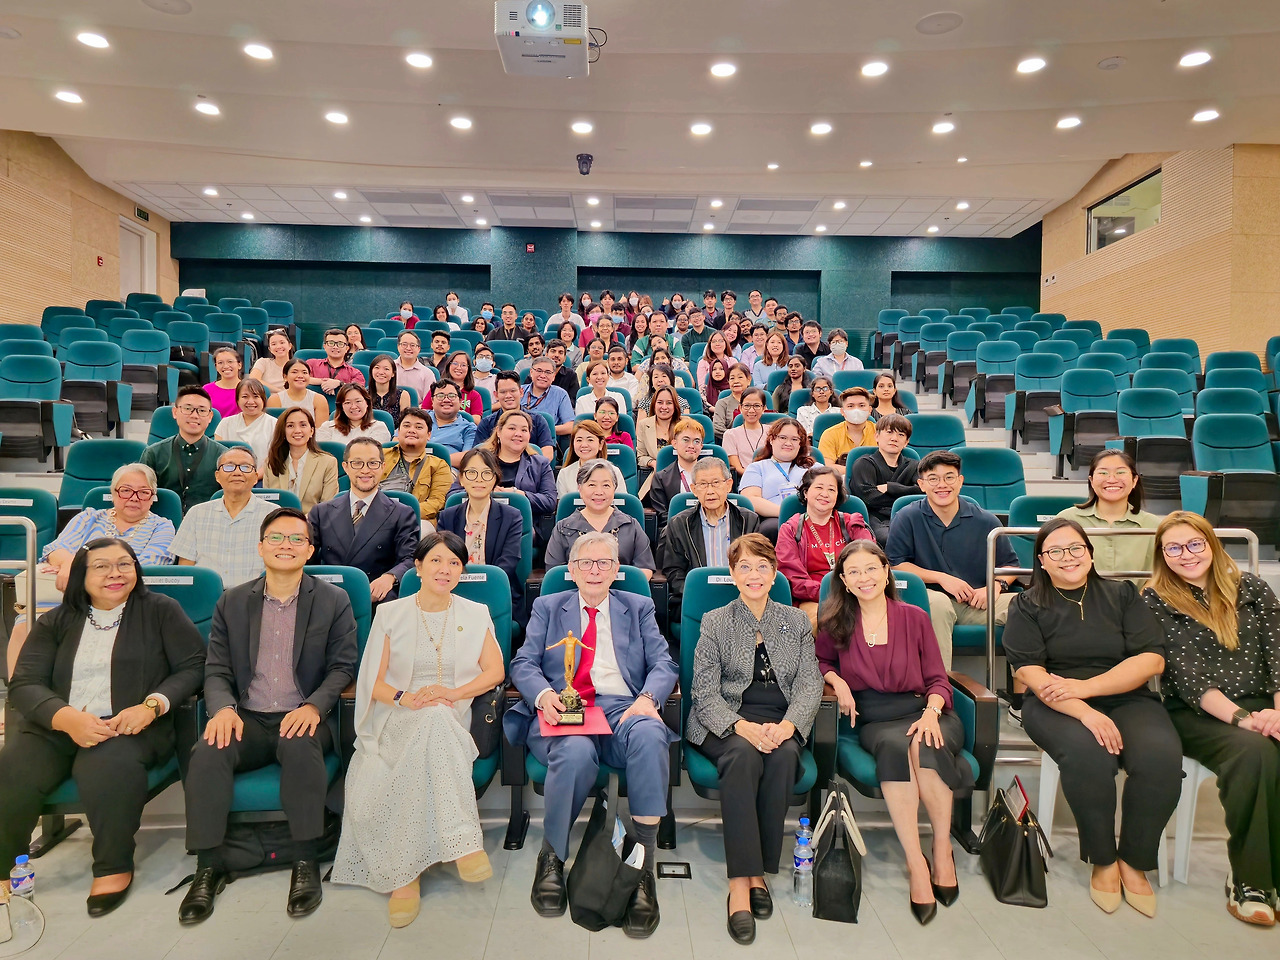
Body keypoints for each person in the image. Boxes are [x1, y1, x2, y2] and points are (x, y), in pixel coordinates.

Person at [0, 538, 204, 917]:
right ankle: (1, 867)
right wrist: (68, 719)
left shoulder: (161, 610)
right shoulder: (57, 619)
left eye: (125, 565)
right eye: (102, 566)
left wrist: (151, 705)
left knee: (107, 769)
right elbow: (25, 684)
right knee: (13, 768)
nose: (115, 574)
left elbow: (193, 667)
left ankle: (113, 865)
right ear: (81, 574)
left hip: (129, 724)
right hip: (59, 722)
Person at [178, 507, 359, 925]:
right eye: (276, 538)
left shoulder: (333, 599)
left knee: (299, 747)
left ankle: (305, 859)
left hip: (304, 715)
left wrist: (314, 706)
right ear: (260, 547)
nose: (286, 546)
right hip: (248, 718)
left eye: (297, 539)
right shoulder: (233, 600)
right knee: (207, 752)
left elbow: (343, 667)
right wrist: (222, 708)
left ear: (310, 549)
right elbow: (217, 668)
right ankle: (208, 865)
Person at [1002, 517, 1181, 918]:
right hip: (1054, 702)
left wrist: (1088, 690)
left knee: (1159, 759)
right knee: (1090, 756)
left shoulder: (1123, 595)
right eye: (1055, 551)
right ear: (1042, 562)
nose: (1067, 557)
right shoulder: (1027, 604)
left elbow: (1151, 659)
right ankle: (1102, 860)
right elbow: (1028, 671)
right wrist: (1084, 711)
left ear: (1091, 553)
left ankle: (1134, 861)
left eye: (1075, 548)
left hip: (1124, 694)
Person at [505, 532, 676, 937]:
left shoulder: (638, 606)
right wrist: (544, 694)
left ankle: (641, 869)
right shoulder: (549, 606)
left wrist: (649, 698)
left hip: (621, 707)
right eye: (586, 563)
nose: (595, 570)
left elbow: (663, 663)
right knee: (576, 752)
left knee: (652, 734)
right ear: (571, 570)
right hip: (565, 708)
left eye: (604, 563)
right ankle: (553, 856)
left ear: (617, 571)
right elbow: (524, 662)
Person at [332, 531, 503, 926]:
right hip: (397, 714)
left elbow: (495, 672)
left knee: (438, 715)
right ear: (420, 567)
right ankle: (460, 844)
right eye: (437, 561)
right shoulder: (391, 614)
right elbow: (371, 680)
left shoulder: (475, 614)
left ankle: (405, 880)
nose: (445, 569)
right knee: (428, 717)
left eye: (454, 563)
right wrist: (405, 698)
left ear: (462, 570)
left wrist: (453, 692)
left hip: (452, 713)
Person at [815, 540, 970, 926]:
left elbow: (938, 677)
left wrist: (933, 713)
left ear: (886, 572)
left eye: (871, 568)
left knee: (924, 743)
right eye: (854, 572)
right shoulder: (834, 619)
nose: (864, 577)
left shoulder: (915, 616)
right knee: (895, 747)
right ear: (844, 581)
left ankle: (940, 848)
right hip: (877, 720)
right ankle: (916, 862)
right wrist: (840, 682)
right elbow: (821, 660)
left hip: (926, 710)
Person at [1143, 511, 1280, 925]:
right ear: (1162, 555)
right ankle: (1251, 880)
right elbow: (1187, 678)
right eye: (1173, 548)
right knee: (1255, 751)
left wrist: (1276, 711)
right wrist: (1245, 719)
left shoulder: (1252, 588)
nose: (1185, 555)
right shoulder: (1156, 599)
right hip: (1198, 711)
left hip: (1265, 704)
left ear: (1211, 544)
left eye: (1194, 544)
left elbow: (1278, 654)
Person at [688, 532, 822, 943]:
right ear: (732, 574)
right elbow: (703, 690)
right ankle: (739, 887)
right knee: (744, 757)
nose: (753, 574)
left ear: (775, 572)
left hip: (780, 719)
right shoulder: (716, 621)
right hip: (724, 720)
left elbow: (810, 683)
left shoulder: (796, 620)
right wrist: (741, 727)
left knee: (784, 758)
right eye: (744, 566)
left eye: (762, 566)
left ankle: (758, 873)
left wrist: (789, 726)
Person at [8, 462, 176, 675]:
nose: (134, 497)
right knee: (25, 624)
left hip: (121, 602)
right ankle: (21, 697)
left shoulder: (162, 526)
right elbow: (55, 550)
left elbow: (146, 566)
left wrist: (76, 568)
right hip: (66, 599)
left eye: (144, 492)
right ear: (114, 493)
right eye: (125, 490)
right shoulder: (89, 517)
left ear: (153, 497)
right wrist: (68, 563)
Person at [887, 451, 1017, 668]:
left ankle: (1025, 694)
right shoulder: (907, 517)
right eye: (933, 479)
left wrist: (994, 586)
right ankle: (941, 692)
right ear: (921, 484)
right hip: (929, 598)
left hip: (976, 602)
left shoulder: (985, 520)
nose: (942, 485)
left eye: (949, 477)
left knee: (1026, 605)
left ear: (960, 481)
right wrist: (941, 578)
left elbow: (1010, 565)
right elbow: (896, 565)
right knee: (938, 605)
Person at [309, 438, 420, 603]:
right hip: (330, 592)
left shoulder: (402, 513)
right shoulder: (321, 511)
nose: (365, 470)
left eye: (373, 463)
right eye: (357, 463)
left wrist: (390, 577)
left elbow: (410, 558)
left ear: (383, 467)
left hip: (376, 591)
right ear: (345, 467)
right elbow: (307, 555)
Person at [777, 466, 874, 628]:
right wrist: (831, 593)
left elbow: (871, 562)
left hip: (856, 593)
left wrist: (852, 590)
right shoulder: (791, 530)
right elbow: (793, 580)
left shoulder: (852, 524)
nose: (825, 494)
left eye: (831, 489)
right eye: (819, 488)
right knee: (823, 620)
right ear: (806, 493)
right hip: (812, 599)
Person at [661, 458, 760, 612]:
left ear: (728, 485)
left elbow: (755, 565)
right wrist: (698, 593)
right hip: (698, 600)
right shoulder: (679, 523)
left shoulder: (748, 520)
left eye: (716, 483)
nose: (710, 491)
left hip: (740, 598)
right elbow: (674, 571)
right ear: (693, 489)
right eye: (703, 485)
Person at [171, 446, 278, 587]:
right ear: (217, 477)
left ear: (255, 477)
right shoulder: (196, 514)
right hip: (207, 598)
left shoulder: (273, 515)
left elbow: (278, 565)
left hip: (255, 599)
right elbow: (186, 568)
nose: (237, 472)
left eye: (245, 467)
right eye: (229, 467)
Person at [436, 447, 525, 617]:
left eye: (486, 473)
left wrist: (480, 586)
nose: (479, 479)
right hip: (455, 590)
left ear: (495, 479)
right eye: (471, 473)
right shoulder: (447, 517)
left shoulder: (512, 517)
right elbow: (444, 560)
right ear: (461, 479)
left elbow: (508, 563)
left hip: (493, 592)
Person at [1057, 450, 1161, 577]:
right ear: (1091, 480)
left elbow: (1159, 577)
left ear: (1134, 480)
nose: (1112, 479)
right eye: (1103, 473)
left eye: (1120, 472)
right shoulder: (1067, 520)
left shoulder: (1153, 525)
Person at [546, 460, 655, 577]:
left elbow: (645, 569)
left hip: (623, 594)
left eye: (606, 485)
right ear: (580, 489)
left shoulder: (631, 526)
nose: (599, 492)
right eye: (592, 485)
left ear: (614, 489)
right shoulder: (563, 529)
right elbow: (555, 575)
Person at [141, 385, 227, 514]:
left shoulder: (224, 456)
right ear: (175, 412)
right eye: (188, 409)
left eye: (202, 410)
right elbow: (140, 493)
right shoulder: (153, 453)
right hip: (163, 523)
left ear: (210, 417)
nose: (194, 415)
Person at [476, 410, 558, 544]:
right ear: (498, 431)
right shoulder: (478, 460)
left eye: (524, 430)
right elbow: (454, 493)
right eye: (512, 428)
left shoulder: (540, 464)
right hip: (480, 519)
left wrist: (519, 494)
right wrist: (484, 492)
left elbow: (550, 501)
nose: (518, 434)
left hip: (523, 524)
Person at [849, 414, 920, 545]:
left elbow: (924, 492)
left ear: (906, 442)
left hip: (908, 517)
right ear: (877, 436)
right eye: (889, 432)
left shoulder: (914, 466)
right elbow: (869, 498)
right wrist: (906, 495)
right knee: (892, 539)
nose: (894, 438)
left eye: (901, 435)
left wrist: (890, 487)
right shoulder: (864, 463)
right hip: (875, 519)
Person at [739, 417, 814, 539]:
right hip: (773, 518)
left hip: (812, 515)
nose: (788, 443)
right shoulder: (757, 468)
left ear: (800, 444)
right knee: (772, 528)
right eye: (783, 438)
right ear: (772, 439)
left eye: (794, 439)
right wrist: (786, 512)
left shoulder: (814, 468)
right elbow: (751, 499)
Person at [378, 408, 452, 525]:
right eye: (407, 426)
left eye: (418, 427)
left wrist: (402, 513)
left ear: (429, 435)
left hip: (415, 520)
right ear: (398, 431)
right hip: (377, 516)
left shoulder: (439, 466)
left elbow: (436, 502)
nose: (412, 430)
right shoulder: (379, 455)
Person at [261, 407, 340, 513]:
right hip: (279, 523)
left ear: (311, 431)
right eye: (290, 426)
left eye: (303, 425)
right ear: (283, 432)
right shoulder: (271, 462)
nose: (297, 430)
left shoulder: (328, 462)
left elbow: (328, 506)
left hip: (313, 524)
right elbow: (267, 505)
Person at [647, 418, 705, 545]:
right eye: (685, 440)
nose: (691, 445)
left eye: (696, 441)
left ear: (701, 446)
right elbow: (663, 516)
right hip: (676, 533)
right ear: (674, 443)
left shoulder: (711, 476)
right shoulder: (661, 478)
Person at [475, 371, 555, 458]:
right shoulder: (486, 423)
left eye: (513, 391)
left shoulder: (538, 420)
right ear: (496, 395)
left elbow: (547, 453)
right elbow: (478, 454)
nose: (508, 395)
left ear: (521, 392)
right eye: (503, 392)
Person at [214, 379, 276, 471]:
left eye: (256, 396)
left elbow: (274, 460)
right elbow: (219, 457)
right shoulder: (225, 424)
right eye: (245, 397)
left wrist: (255, 476)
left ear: (263, 399)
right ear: (237, 400)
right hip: (230, 477)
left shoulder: (275, 424)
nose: (251, 401)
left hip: (262, 479)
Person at [557, 420, 625, 496]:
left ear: (601, 444)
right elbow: (564, 506)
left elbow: (621, 504)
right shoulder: (565, 474)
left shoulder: (615, 472)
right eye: (579, 440)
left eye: (590, 440)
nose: (584, 445)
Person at [317, 383, 392, 445]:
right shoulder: (327, 427)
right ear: (341, 406)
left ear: (367, 403)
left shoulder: (378, 428)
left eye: (358, 401)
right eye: (347, 403)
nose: (353, 407)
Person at [636, 385, 682, 486]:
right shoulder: (644, 424)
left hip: (681, 476)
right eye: (660, 402)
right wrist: (654, 463)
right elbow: (641, 456)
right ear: (654, 404)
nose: (664, 407)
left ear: (675, 405)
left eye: (669, 403)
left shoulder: (685, 425)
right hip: (656, 477)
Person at [818, 388, 877, 466]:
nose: (856, 410)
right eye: (850, 406)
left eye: (861, 405)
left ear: (870, 410)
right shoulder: (829, 434)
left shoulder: (880, 432)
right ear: (842, 411)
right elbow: (827, 466)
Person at [425, 380, 478, 467]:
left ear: (460, 401)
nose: (446, 400)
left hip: (447, 470)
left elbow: (468, 458)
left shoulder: (469, 428)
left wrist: (430, 461)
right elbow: (397, 442)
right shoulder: (419, 418)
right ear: (432, 400)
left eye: (452, 396)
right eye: (440, 396)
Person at [266, 357, 331, 425]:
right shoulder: (275, 399)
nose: (300, 376)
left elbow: (321, 431)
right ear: (285, 377)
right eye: (294, 372)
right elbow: (274, 429)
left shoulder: (319, 400)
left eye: (304, 372)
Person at [722, 387, 769, 476]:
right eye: (747, 406)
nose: (751, 410)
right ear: (740, 408)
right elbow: (738, 468)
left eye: (757, 406)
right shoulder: (730, 435)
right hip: (746, 479)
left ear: (764, 408)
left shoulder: (772, 432)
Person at [307, 327, 366, 394]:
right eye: (331, 343)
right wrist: (325, 382)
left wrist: (339, 383)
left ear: (347, 348)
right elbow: (301, 379)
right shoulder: (311, 364)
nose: (335, 347)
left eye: (340, 344)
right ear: (325, 346)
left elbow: (359, 391)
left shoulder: (355, 373)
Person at [425, 351, 483, 417]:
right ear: (448, 366)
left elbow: (477, 420)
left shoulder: (474, 395)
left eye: (463, 365)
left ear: (468, 369)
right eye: (455, 363)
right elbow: (424, 413)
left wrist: (456, 415)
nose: (458, 368)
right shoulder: (436, 390)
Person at [712, 363, 754, 441]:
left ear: (749, 380)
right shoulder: (722, 403)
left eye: (740, 377)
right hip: (731, 443)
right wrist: (738, 436)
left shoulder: (757, 401)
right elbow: (717, 428)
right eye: (732, 378)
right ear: (728, 382)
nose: (736, 381)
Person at [368, 353, 410, 428]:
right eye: (377, 368)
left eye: (386, 369)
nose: (381, 372)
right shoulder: (363, 394)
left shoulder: (402, 395)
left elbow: (405, 424)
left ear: (393, 373)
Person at [249, 328, 294, 393]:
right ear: (270, 349)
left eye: (282, 342)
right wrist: (280, 392)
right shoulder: (263, 362)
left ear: (290, 346)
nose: (278, 346)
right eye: (274, 344)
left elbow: (306, 379)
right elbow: (253, 379)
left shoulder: (296, 365)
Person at [204, 347, 243, 419]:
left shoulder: (248, 388)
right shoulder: (206, 389)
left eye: (230, 361)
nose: (225, 366)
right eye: (220, 363)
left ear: (239, 365)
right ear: (216, 366)